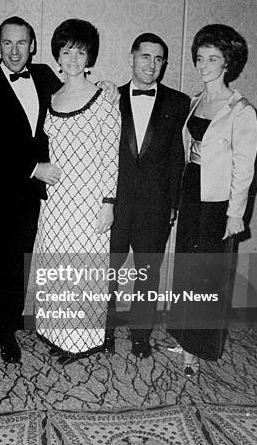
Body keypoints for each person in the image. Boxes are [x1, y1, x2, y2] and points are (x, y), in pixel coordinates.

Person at [0, 16, 119, 363]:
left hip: (39, 197)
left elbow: (84, 94)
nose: (14, 50)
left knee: (24, 268)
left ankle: (9, 332)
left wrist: (110, 86)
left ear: (33, 46)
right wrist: (32, 167)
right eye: (7, 43)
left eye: (21, 43)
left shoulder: (43, 79)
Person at [167, 24, 257, 376]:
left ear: (227, 63)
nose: (204, 65)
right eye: (200, 58)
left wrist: (236, 214)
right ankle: (183, 336)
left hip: (218, 202)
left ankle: (198, 348)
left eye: (213, 58)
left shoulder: (241, 110)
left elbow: (244, 168)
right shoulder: (195, 101)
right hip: (192, 191)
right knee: (186, 269)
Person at [31, 19, 121, 365]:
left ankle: (84, 343)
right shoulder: (50, 96)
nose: (72, 58)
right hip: (57, 201)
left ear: (89, 57)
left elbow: (111, 157)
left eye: (80, 52)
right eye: (67, 51)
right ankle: (60, 336)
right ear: (58, 54)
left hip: (89, 201)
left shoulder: (102, 99)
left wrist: (108, 203)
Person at [107, 33, 189, 359]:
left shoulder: (178, 102)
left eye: (158, 59)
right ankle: (106, 331)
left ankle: (141, 335)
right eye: (145, 57)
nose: (151, 65)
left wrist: (173, 204)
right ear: (131, 57)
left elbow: (177, 158)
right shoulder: (107, 97)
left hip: (155, 206)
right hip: (114, 204)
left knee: (147, 274)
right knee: (108, 272)